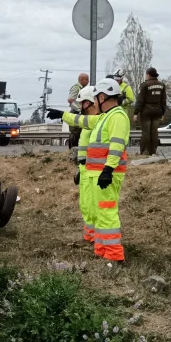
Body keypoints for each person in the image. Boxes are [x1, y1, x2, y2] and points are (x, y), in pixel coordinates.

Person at [46, 85, 102, 244]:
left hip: (95, 171)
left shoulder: (98, 121)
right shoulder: (88, 123)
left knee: (94, 206)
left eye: (83, 103)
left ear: (91, 102)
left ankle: (99, 238)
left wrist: (63, 115)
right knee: (86, 205)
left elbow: (80, 121)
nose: (81, 106)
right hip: (86, 169)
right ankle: (91, 236)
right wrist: (80, 168)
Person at [88, 78, 130, 262]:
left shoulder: (117, 116)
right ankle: (102, 250)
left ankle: (114, 254)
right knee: (100, 213)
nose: (95, 102)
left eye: (96, 98)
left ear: (103, 97)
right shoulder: (106, 116)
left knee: (106, 211)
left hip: (106, 173)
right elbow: (82, 120)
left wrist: (108, 169)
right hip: (98, 172)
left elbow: (116, 145)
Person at [134, 67, 167, 155]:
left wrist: (136, 113)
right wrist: (163, 112)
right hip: (157, 111)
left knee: (146, 133)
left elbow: (140, 100)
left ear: (148, 74)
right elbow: (163, 100)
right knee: (154, 132)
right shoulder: (162, 85)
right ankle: (153, 151)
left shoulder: (145, 85)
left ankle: (144, 152)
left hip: (146, 112)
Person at [66, 73, 89, 152]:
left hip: (78, 112)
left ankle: (76, 150)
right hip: (75, 112)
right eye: (87, 79)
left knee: (79, 132)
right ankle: (72, 150)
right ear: (82, 80)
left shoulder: (81, 88)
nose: (88, 81)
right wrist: (79, 109)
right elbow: (70, 99)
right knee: (75, 132)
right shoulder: (76, 88)